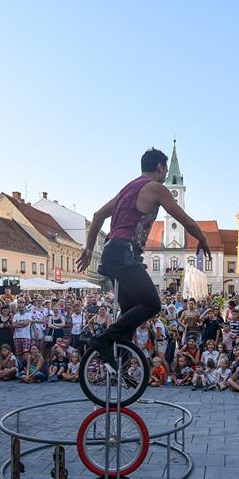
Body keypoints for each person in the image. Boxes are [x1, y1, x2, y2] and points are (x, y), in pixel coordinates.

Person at [79, 149, 211, 366]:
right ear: (159, 167)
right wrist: (203, 239)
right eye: (165, 170)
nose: (165, 175)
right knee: (152, 304)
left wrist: (89, 248)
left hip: (112, 253)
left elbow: (97, 215)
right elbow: (185, 220)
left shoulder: (127, 189)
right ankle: (102, 340)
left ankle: (120, 361)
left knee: (130, 312)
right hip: (124, 253)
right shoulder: (155, 188)